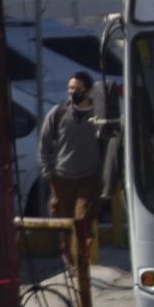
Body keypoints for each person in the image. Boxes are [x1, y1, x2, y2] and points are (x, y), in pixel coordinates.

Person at [38, 71, 114, 273]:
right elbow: (44, 144)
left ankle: (81, 262)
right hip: (62, 177)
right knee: (65, 224)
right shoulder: (58, 113)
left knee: (83, 220)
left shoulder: (98, 115)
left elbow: (109, 145)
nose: (73, 92)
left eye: (77, 88)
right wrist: (49, 173)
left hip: (88, 178)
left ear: (88, 90)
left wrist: (106, 176)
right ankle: (71, 263)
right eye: (70, 88)